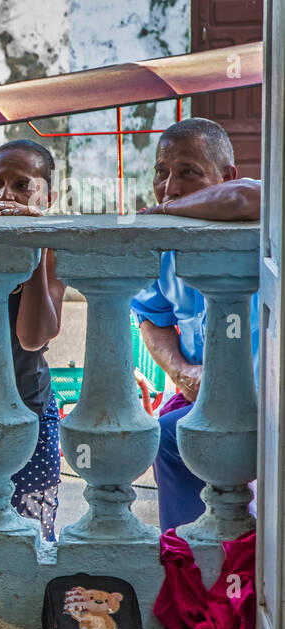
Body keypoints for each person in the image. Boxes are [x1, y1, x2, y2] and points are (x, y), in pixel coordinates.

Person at [131, 118, 261, 533]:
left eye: (188, 172)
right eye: (162, 173)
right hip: (201, 397)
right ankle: (189, 558)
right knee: (168, 437)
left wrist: (161, 213)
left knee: (176, 439)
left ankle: (234, 562)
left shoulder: (259, 226)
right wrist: (180, 370)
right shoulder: (167, 247)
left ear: (225, 176)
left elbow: (244, 199)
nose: (170, 186)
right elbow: (154, 319)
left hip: (266, 399)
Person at [0, 140, 68, 538]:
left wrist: (33, 243)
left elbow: (33, 337)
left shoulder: (52, 251)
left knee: (30, 537)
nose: (5, 195)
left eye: (21, 184)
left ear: (47, 197)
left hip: (28, 410)